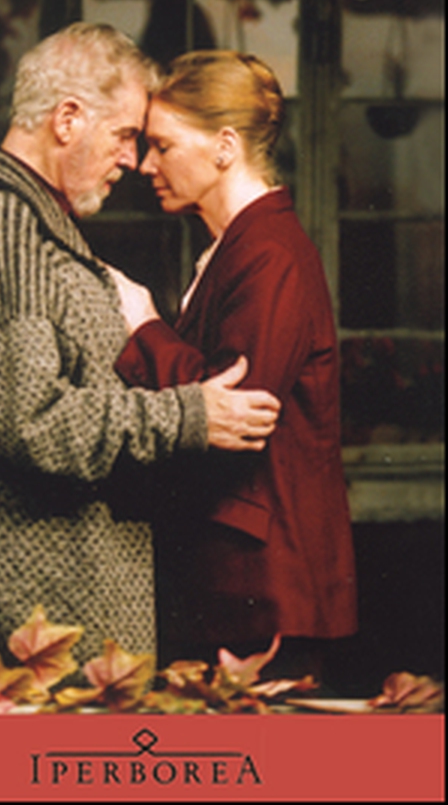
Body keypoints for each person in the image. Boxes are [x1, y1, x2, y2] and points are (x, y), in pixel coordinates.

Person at [0, 24, 281, 673]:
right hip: (42, 628)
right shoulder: (10, 229)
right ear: (67, 119)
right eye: (124, 134)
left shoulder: (37, 222)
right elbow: (31, 422)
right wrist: (188, 415)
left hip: (65, 614)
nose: (132, 159)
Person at [111, 49, 358, 676]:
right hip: (241, 581)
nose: (145, 164)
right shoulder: (239, 248)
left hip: (268, 591)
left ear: (225, 147)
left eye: (163, 146)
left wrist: (144, 325)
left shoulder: (270, 254)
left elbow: (233, 412)